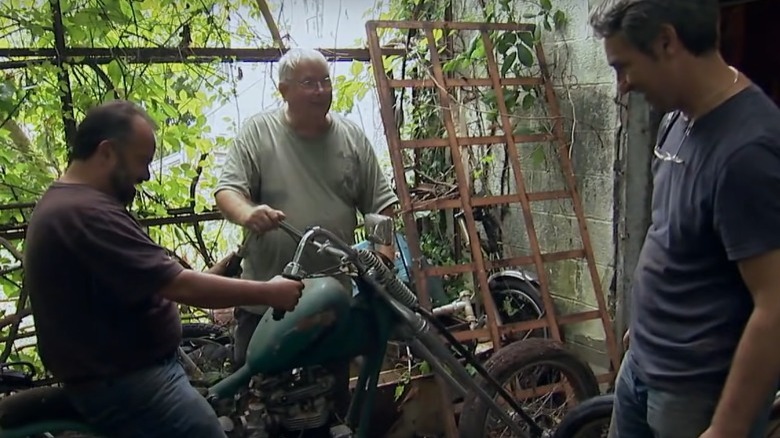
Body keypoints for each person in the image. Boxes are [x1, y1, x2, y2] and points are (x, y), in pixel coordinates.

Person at [24, 100, 305, 438]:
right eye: (141, 161)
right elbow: (179, 286)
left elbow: (149, 279)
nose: (145, 174)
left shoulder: (74, 203)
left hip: (132, 369)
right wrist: (270, 292)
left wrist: (227, 266)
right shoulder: (83, 213)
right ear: (107, 152)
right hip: (130, 381)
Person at [589, 1, 780, 437]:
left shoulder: (748, 152)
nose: (621, 87)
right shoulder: (677, 119)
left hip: (697, 392)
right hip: (643, 365)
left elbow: (776, 306)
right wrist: (646, 322)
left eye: (624, 67)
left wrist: (727, 427)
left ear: (666, 41)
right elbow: (672, 233)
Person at [214, 47, 398, 416]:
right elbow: (227, 190)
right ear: (284, 90)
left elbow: (381, 205)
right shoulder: (259, 132)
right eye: (309, 83)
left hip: (330, 303)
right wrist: (249, 213)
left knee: (328, 403)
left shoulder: (351, 138)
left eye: (325, 81)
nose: (320, 90)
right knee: (254, 402)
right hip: (265, 298)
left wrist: (383, 256)